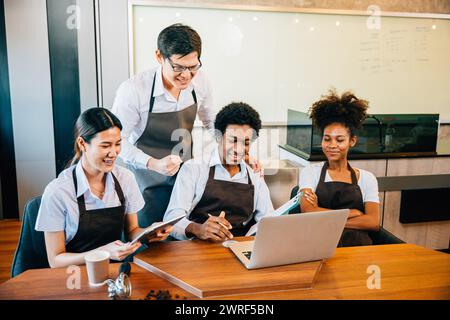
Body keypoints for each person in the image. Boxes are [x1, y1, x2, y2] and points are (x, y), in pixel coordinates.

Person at [111, 23, 260, 228]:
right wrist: (154, 164)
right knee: (149, 240)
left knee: (182, 233)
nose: (186, 75)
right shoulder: (133, 91)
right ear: (159, 57)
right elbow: (117, 142)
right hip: (144, 181)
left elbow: (211, 121)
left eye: (193, 67)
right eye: (178, 67)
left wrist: (237, 149)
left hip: (183, 175)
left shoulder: (201, 83)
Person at [35, 108, 171, 268]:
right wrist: (101, 253)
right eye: (105, 146)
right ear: (82, 144)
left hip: (114, 271)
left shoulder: (125, 179)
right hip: (73, 276)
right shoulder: (58, 192)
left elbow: (132, 231)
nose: (113, 153)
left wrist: (149, 233)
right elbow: (55, 260)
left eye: (118, 144)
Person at [163, 102, 274, 241]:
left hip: (239, 248)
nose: (239, 149)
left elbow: (269, 220)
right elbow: (171, 219)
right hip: (196, 249)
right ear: (218, 137)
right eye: (233, 140)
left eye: (245, 143)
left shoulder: (254, 174)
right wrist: (198, 229)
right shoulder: (193, 168)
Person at [298, 90, 380, 247]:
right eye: (327, 139)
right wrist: (350, 214)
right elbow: (308, 211)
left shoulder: (367, 178)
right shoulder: (310, 172)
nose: (332, 145)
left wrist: (325, 216)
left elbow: (373, 222)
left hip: (357, 248)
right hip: (318, 245)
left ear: (352, 141)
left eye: (340, 140)